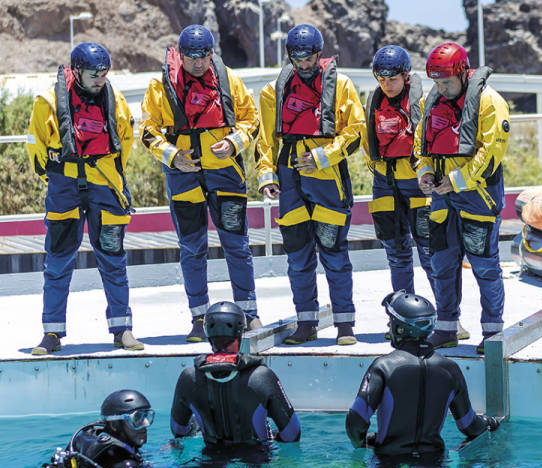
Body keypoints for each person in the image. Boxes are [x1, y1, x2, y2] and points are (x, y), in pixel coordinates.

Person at [140, 25, 262, 343]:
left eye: (203, 56)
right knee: (192, 249)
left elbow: (252, 119)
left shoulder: (229, 79)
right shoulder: (160, 85)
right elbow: (148, 131)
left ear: (211, 53)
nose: (197, 63)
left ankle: (249, 315)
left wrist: (234, 143)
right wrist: (171, 156)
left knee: (237, 245)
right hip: (183, 176)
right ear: (180, 55)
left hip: (226, 173)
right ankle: (198, 318)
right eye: (191, 57)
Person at [28, 42, 143, 355]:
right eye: (94, 73)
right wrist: (52, 178)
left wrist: (108, 175)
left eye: (104, 73)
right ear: (76, 70)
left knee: (112, 257)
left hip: (105, 184)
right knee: (58, 258)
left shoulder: (115, 99)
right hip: (63, 186)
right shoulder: (47, 101)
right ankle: (51, 334)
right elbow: (36, 145)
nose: (100, 79)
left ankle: (123, 330)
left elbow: (125, 143)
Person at [256, 24, 365, 346]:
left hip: (328, 179)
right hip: (290, 181)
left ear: (320, 55)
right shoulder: (271, 91)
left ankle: (345, 325)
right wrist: (266, 176)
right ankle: (306, 322)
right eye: (296, 58)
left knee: (333, 252)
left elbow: (355, 131)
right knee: (298, 256)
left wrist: (324, 155)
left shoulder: (341, 85)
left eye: (309, 58)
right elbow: (265, 140)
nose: (303, 65)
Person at [363, 44, 470, 343]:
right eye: (381, 78)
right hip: (384, 183)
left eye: (392, 78)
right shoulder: (373, 102)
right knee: (396, 254)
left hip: (417, 184)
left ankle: (450, 320)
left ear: (406, 75)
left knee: (430, 253)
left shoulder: (422, 100)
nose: (386, 84)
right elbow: (365, 139)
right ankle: (400, 319)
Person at [414, 42, 511, 353]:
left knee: (485, 265)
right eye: (436, 83)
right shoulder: (431, 102)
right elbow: (422, 144)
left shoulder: (490, 102)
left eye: (446, 82)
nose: (441, 89)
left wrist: (456, 181)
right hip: (442, 198)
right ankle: (446, 327)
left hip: (477, 196)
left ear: (463, 73)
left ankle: (493, 332)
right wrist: (425, 172)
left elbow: (491, 152)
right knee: (441, 262)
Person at [346, 290, 499, 456]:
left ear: (401, 329)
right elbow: (469, 426)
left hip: (389, 466)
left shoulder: (383, 366)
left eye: (391, 322)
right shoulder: (450, 369)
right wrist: (490, 422)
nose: (389, 326)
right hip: (435, 466)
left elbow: (356, 421)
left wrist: (363, 443)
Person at [170, 301, 301, 445]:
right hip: (256, 463)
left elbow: (178, 430)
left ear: (208, 334)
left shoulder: (188, 378)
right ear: (240, 333)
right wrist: (271, 437)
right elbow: (292, 433)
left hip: (209, 463)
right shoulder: (261, 376)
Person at [45, 389, 154, 468]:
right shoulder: (126, 465)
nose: (146, 423)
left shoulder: (89, 437)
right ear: (114, 425)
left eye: (147, 416)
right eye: (137, 418)